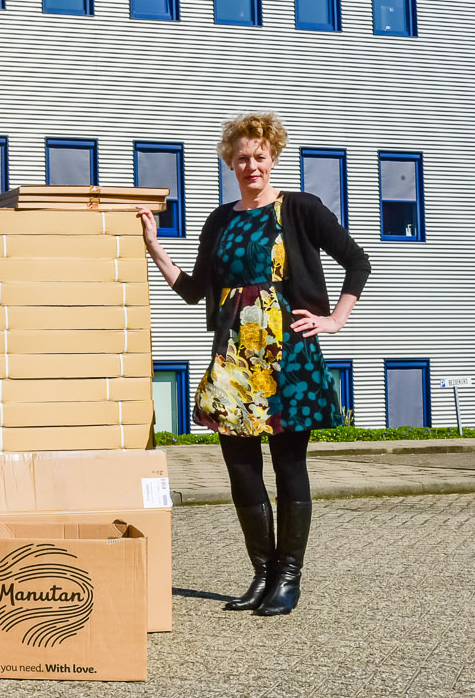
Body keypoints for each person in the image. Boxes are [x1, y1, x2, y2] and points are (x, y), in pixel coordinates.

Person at [138, 112, 370, 617]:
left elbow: (358, 261)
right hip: (235, 361)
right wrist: (155, 248)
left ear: (273, 157)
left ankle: (288, 577)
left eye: (259, 156)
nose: (251, 165)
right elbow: (197, 290)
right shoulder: (219, 221)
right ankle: (261, 574)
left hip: (290, 356)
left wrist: (334, 320)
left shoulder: (301, 209)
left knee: (289, 465)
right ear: (230, 162)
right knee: (240, 468)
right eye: (241, 157)